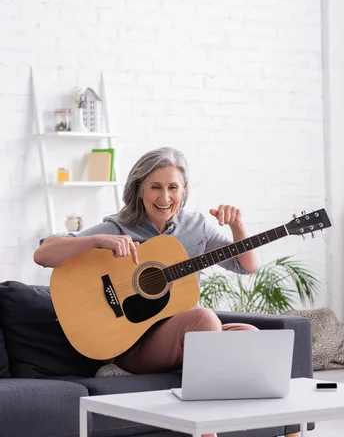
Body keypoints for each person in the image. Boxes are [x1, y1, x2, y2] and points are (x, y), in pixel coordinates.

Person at [34, 146, 261, 379]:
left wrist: (237, 225)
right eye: (155, 187)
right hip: (133, 344)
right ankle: (126, 370)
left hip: (181, 333)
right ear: (139, 190)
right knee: (204, 319)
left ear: (183, 191)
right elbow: (43, 254)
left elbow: (246, 266)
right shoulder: (119, 227)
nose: (164, 198)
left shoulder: (196, 227)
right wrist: (96, 240)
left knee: (250, 336)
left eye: (173, 187)